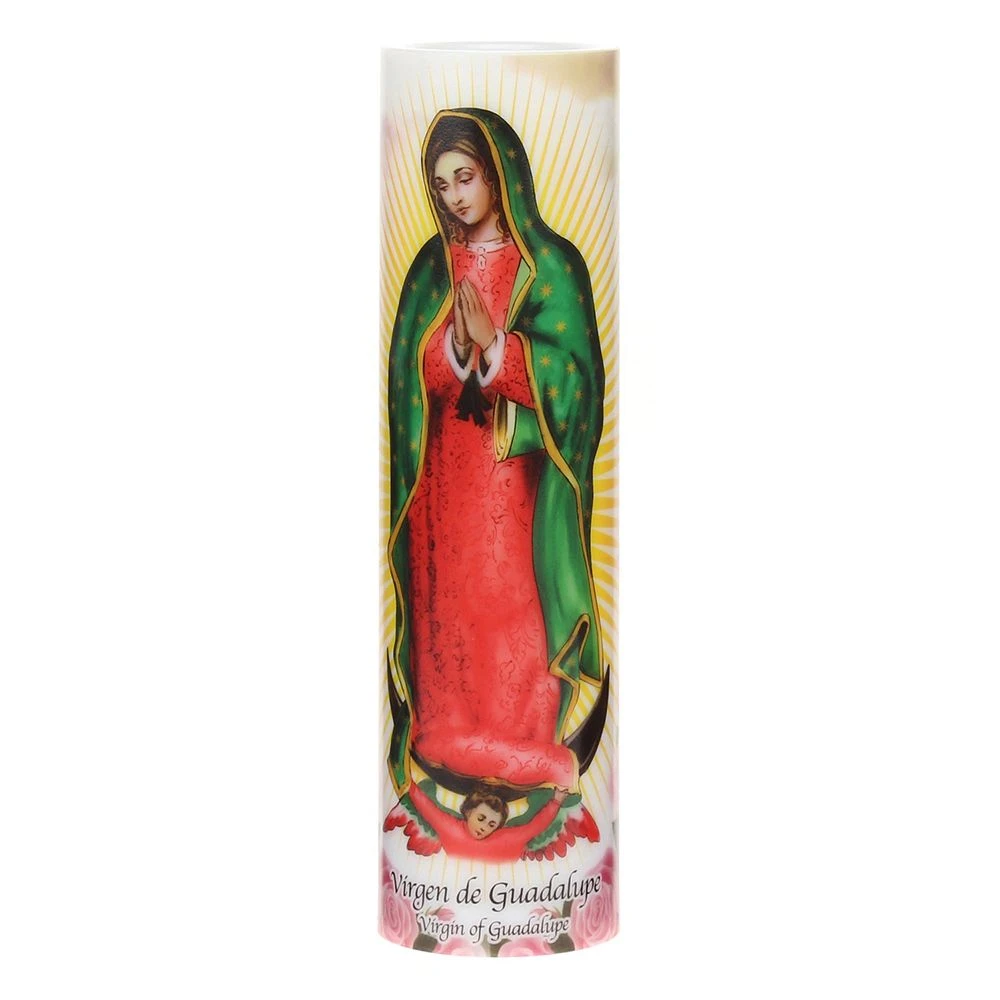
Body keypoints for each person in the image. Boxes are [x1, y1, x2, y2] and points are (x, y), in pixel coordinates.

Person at [385, 108, 605, 848]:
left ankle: (522, 742)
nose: (454, 197)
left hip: (516, 481)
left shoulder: (553, 266)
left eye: (466, 178)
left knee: (511, 611)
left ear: (499, 174)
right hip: (445, 482)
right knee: (449, 611)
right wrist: (451, 349)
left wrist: (502, 347)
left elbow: (576, 379)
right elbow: (409, 372)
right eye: (441, 184)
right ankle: (447, 735)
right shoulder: (430, 267)